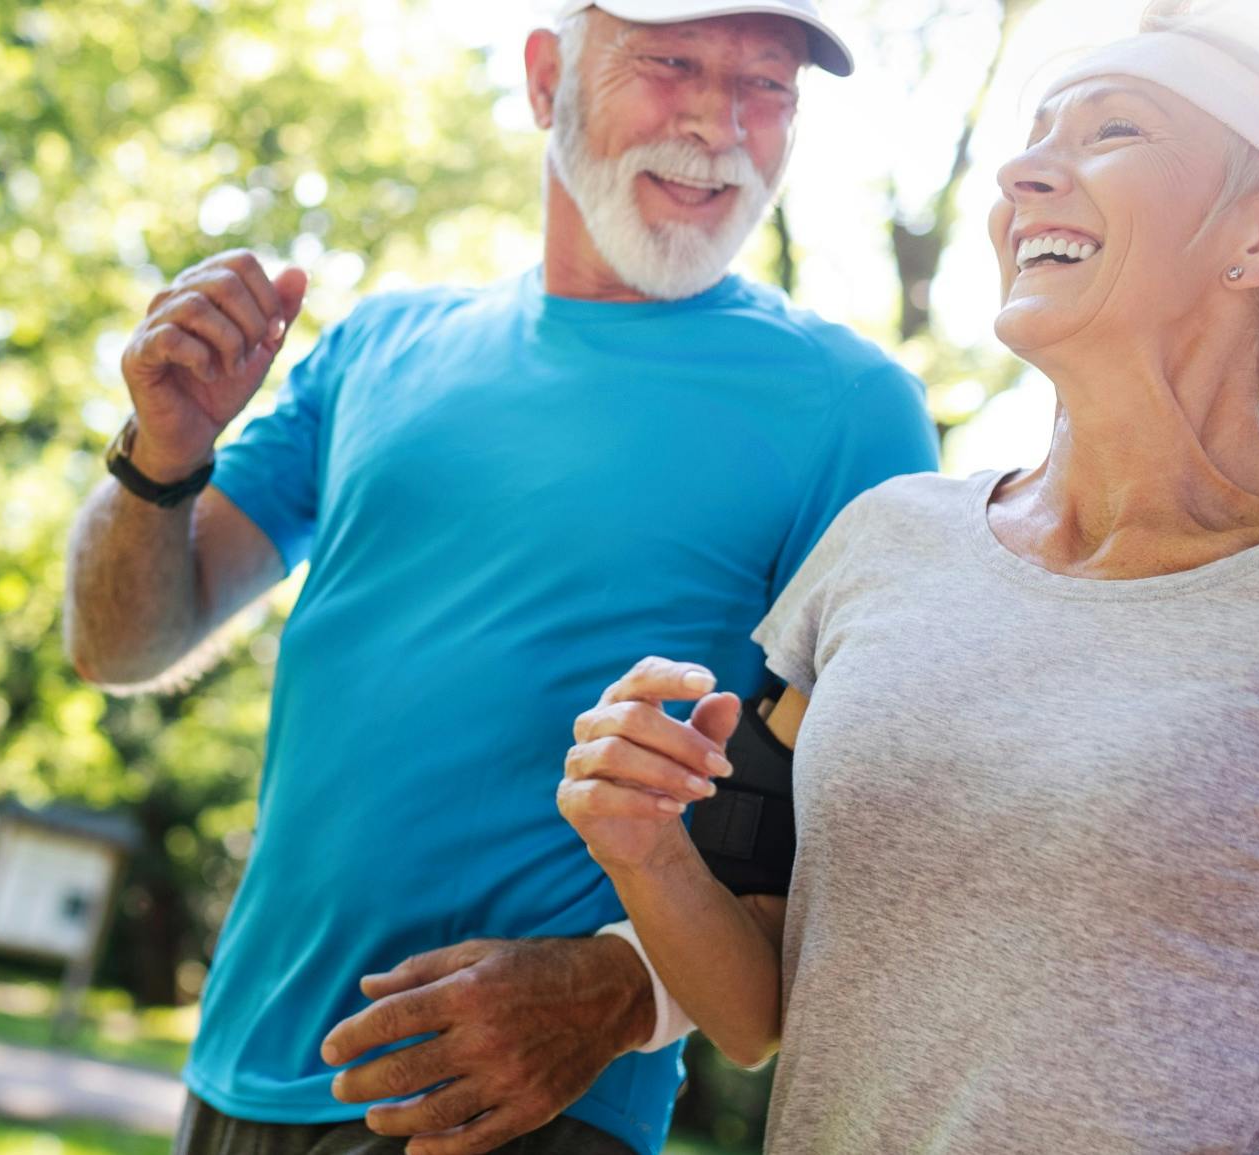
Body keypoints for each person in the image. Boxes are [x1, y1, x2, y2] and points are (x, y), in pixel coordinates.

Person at [560, 1, 1259, 1149]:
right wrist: (641, 844)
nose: (1024, 171)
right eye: (1035, 135)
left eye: (1113, 130)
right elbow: (754, 1013)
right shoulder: (883, 542)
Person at [63, 1, 940, 1151]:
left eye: (766, 86)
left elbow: (862, 837)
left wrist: (622, 993)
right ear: (544, 81)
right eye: (671, 62)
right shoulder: (379, 347)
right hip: (237, 1071)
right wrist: (161, 455)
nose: (719, 123)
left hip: (518, 1101)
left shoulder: (848, 407)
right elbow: (120, 645)